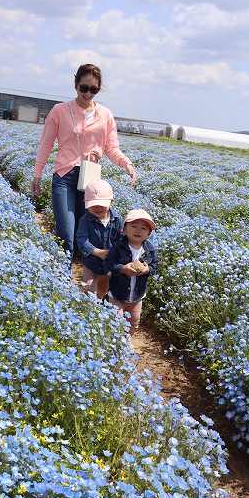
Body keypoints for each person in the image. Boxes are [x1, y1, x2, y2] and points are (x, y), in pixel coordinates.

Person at [31, 64, 137, 260]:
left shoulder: (105, 115)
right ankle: (61, 277)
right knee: (66, 234)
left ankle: (82, 284)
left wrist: (126, 163)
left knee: (84, 236)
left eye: (94, 90)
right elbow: (45, 145)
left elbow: (111, 148)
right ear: (75, 85)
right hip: (64, 177)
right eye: (84, 88)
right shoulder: (60, 111)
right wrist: (37, 175)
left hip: (91, 179)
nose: (88, 93)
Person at [106, 209, 157, 335]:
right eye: (133, 226)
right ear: (124, 229)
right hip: (117, 294)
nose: (138, 230)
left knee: (134, 322)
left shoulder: (150, 249)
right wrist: (123, 269)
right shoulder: (118, 246)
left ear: (149, 233)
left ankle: (126, 343)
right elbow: (109, 264)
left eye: (143, 228)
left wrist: (147, 269)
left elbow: (154, 266)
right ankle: (115, 343)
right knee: (115, 322)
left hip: (137, 296)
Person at [76, 180, 122, 299]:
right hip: (91, 262)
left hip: (109, 263)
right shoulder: (85, 220)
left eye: (101, 204)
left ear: (111, 201)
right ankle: (88, 304)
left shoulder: (117, 220)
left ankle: (99, 303)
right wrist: (97, 252)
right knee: (89, 285)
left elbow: (121, 239)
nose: (97, 207)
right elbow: (81, 240)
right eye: (93, 204)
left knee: (103, 288)